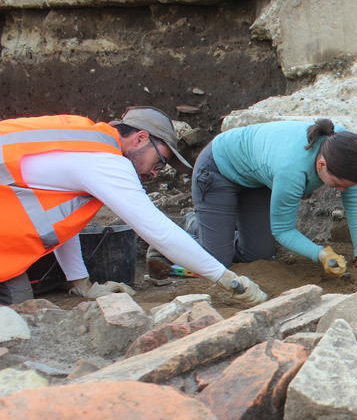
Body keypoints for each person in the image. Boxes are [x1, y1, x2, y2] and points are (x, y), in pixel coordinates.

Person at [0, 107, 267, 306]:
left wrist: (81, 284)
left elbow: (59, 226)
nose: (156, 173)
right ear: (140, 138)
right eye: (160, 161)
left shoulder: (82, 136)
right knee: (20, 312)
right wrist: (227, 279)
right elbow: (157, 231)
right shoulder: (104, 160)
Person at [186, 118, 357, 278]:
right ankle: (192, 225)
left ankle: (217, 228)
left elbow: (355, 206)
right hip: (218, 170)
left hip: (256, 181)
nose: (341, 190)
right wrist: (321, 254)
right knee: (216, 263)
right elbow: (283, 230)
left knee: (257, 255)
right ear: (321, 165)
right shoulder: (292, 170)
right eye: (337, 184)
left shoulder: (348, 150)